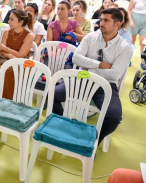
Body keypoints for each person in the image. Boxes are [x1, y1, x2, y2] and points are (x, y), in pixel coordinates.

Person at [53, 8, 132, 145]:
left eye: (106, 20)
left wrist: (89, 66)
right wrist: (100, 64)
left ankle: (93, 140)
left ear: (117, 24)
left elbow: (115, 74)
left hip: (105, 85)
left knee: (114, 116)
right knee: (53, 94)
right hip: (83, 79)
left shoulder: (125, 47)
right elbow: (76, 58)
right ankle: (64, 127)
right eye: (101, 19)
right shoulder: (91, 37)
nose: (101, 23)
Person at [0, 10, 34, 100]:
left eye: (12, 19)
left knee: (3, 70)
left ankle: (1, 99)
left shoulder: (29, 35)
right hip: (5, 59)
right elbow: (1, 49)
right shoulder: (6, 32)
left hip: (21, 64)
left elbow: (20, 55)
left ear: (21, 22)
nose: (8, 22)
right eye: (9, 19)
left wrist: (6, 49)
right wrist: (9, 55)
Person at [128, 0, 146, 69]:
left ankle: (143, 61)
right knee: (131, 42)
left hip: (145, 22)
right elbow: (128, 10)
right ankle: (127, 59)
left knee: (143, 43)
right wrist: (130, 20)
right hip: (134, 20)